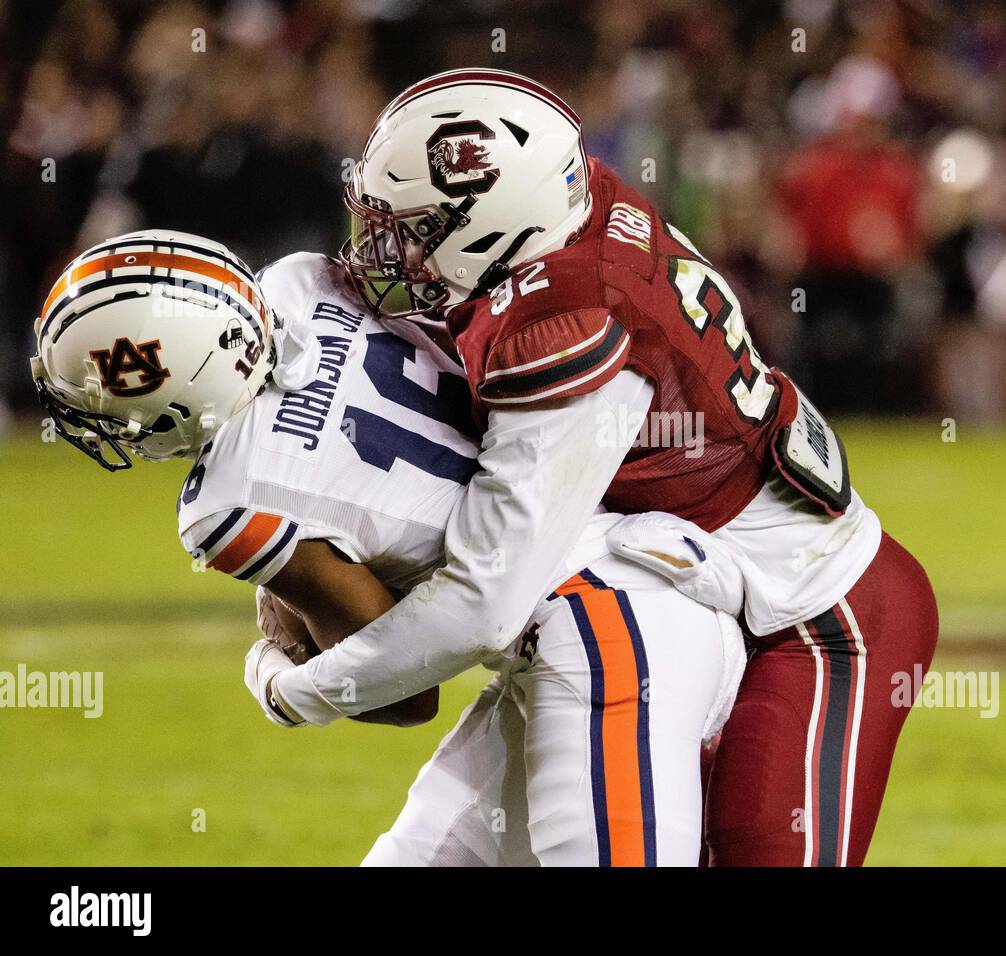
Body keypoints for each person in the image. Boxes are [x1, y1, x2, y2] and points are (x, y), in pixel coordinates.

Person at [270, 69, 939, 865]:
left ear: (495, 223)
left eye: (415, 227)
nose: (392, 249)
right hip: (694, 593)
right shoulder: (575, 209)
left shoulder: (568, 321)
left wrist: (296, 692)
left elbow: (485, 602)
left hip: (820, 618)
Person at [30, 229, 744, 866]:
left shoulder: (225, 508)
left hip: (604, 638)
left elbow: (406, 695)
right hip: (630, 584)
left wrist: (278, 668)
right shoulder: (301, 281)